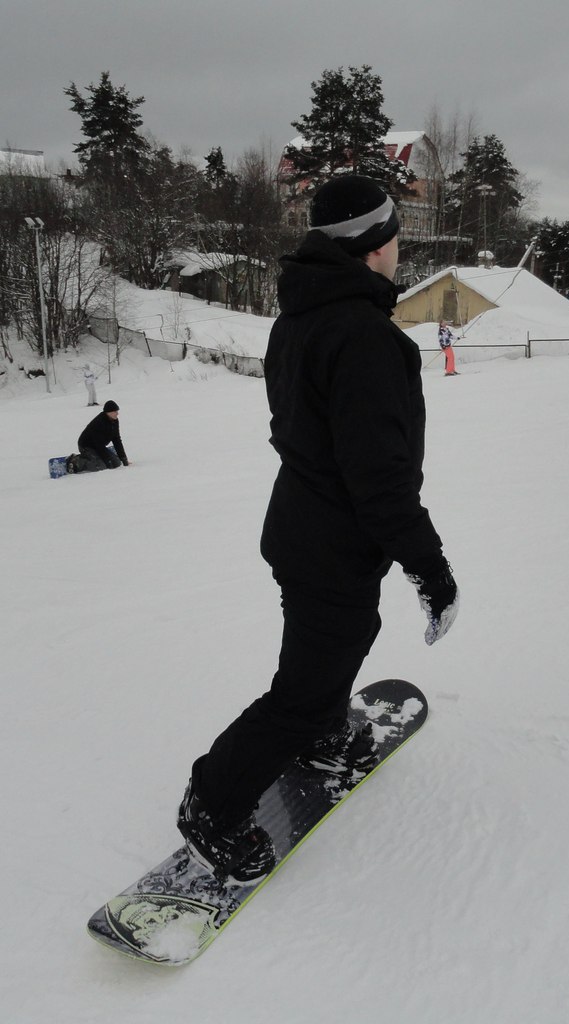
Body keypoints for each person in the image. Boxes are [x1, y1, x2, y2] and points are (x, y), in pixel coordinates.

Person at [177, 174, 460, 885]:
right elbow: (381, 478)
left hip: (305, 526)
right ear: (374, 246)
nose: (400, 248)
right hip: (332, 539)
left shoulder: (301, 316)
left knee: (335, 645)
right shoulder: (365, 337)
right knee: (306, 684)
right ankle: (214, 802)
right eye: (395, 236)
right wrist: (431, 568)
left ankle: (324, 733)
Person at [68, 400, 130, 473]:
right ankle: (75, 461)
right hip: (86, 446)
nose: (117, 413)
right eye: (115, 411)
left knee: (117, 463)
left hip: (99, 446)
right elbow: (98, 444)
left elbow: (117, 440)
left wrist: (123, 458)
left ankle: (89, 457)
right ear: (108, 412)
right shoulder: (99, 422)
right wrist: (107, 460)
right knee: (100, 466)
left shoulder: (114, 421)